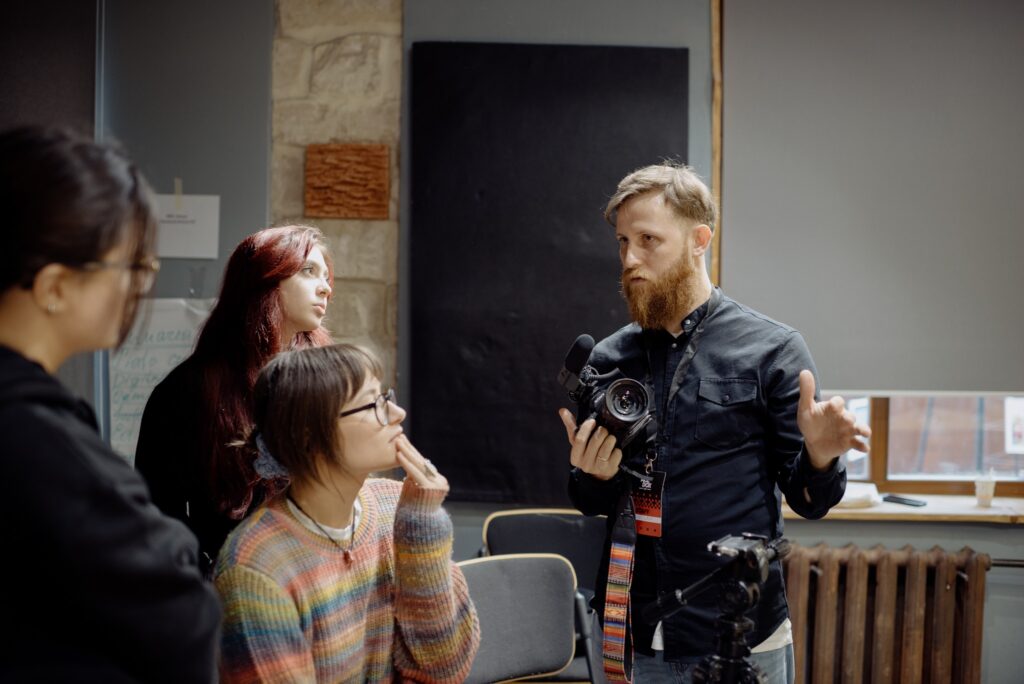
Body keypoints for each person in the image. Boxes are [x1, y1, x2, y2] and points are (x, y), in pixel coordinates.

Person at [558, 163, 869, 683]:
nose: (630, 259)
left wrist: (819, 455)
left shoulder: (772, 350)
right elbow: (591, 501)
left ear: (699, 240)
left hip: (740, 634)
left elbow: (810, 502)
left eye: (649, 240)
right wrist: (592, 475)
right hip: (631, 630)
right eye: (623, 242)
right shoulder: (609, 359)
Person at [0, 125, 221, 681]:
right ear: (54, 286)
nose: (139, 287)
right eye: (132, 266)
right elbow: (179, 614)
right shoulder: (35, 439)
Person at [215, 343, 480, 682]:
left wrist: (422, 527)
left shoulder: (396, 507)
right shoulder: (255, 569)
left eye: (386, 397)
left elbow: (445, 669)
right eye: (374, 404)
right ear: (309, 436)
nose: (398, 413)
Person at [135, 224, 334, 574]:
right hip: (227, 585)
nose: (326, 287)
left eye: (326, 275)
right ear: (265, 280)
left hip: (318, 579)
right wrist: (207, 579)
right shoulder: (188, 390)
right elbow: (156, 513)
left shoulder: (326, 380)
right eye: (308, 271)